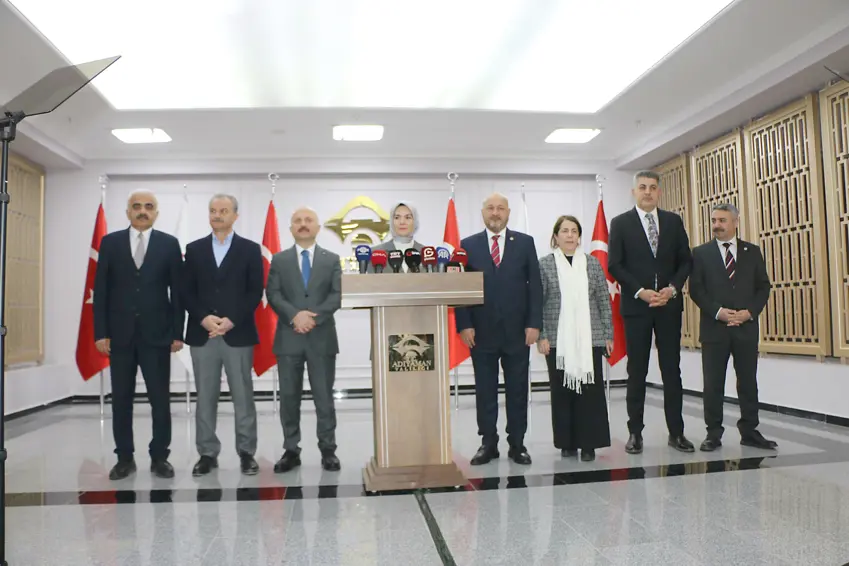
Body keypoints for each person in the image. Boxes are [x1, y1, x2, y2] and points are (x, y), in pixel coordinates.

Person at [93, 189, 184, 480]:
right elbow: (101, 290)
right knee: (121, 400)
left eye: (148, 206)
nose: (142, 211)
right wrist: (100, 332)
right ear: (128, 212)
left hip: (157, 335)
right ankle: (124, 458)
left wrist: (177, 333)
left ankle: (160, 457)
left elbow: (177, 292)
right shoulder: (110, 243)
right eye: (136, 206)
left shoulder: (169, 244)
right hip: (119, 337)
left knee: (160, 399)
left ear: (156, 212)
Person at [608, 171, 694, 454]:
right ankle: (635, 433)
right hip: (637, 307)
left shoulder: (673, 221)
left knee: (671, 370)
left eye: (653, 187)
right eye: (642, 187)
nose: (647, 192)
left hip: (668, 306)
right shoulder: (620, 223)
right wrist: (639, 291)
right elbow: (615, 264)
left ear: (659, 192)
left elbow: (685, 261)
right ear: (634, 192)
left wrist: (673, 288)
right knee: (637, 370)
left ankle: (676, 433)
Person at [455, 193, 543, 465]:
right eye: (490, 208)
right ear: (483, 212)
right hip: (481, 332)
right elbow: (460, 288)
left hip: (518, 332)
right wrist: (464, 324)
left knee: (517, 390)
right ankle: (488, 443)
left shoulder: (525, 243)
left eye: (500, 208)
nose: (495, 213)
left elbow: (535, 286)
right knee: (485, 391)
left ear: (508, 213)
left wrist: (534, 323)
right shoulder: (467, 245)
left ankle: (517, 444)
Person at [182, 194, 264, 476]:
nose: (217, 215)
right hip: (202, 333)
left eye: (223, 211)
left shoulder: (250, 249)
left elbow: (254, 291)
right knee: (205, 396)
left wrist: (231, 320)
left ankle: (246, 452)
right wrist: (203, 318)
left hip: (237, 333)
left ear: (235, 216)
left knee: (243, 395)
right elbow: (185, 291)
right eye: (213, 210)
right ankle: (207, 453)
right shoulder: (194, 249)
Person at [688, 203, 777, 452]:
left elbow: (763, 287)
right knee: (713, 384)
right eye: (714, 220)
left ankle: (749, 431)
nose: (716, 225)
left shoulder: (752, 251)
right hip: (714, 329)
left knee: (748, 382)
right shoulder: (700, 253)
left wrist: (749, 312)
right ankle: (713, 433)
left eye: (722, 220)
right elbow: (696, 289)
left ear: (736, 222)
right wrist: (719, 312)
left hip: (745, 329)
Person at [267, 207, 342, 472]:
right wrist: (295, 316)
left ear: (317, 227)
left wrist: (313, 318)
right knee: (289, 397)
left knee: (324, 397)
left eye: (308, 220)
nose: (303, 224)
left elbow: (336, 295)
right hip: (289, 338)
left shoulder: (332, 259)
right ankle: (291, 450)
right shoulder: (279, 260)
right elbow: (273, 294)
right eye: (297, 220)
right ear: (291, 229)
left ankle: (328, 450)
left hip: (321, 338)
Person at [537, 215, 613, 462]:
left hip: (591, 337)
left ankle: (589, 444)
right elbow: (538, 303)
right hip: (557, 340)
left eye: (574, 231)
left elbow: (603, 300)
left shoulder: (592, 263)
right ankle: (567, 442)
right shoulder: (545, 265)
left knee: (590, 393)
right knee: (562, 392)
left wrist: (608, 334)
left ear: (579, 236)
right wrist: (542, 336)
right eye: (564, 231)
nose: (569, 235)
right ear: (555, 236)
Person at [368, 202, 424, 272]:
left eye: (408, 217)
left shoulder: (427, 254)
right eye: (397, 217)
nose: (402, 222)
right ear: (391, 221)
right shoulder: (374, 253)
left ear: (415, 221)